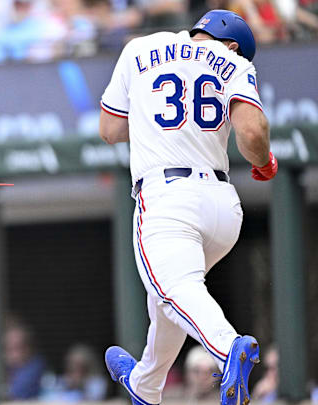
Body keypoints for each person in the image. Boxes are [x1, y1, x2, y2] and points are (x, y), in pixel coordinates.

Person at [99, 9, 277, 405]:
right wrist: (264, 162)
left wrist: (149, 120)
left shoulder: (140, 48)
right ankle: (145, 386)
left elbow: (110, 131)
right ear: (232, 45)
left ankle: (227, 346)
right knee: (168, 299)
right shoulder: (232, 62)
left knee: (173, 289)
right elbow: (252, 132)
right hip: (222, 205)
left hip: (168, 197)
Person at [3, 320, 45, 400]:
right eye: (8, 349)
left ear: (28, 348)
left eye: (16, 348)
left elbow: (13, 394)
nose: (11, 354)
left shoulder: (35, 366)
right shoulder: (5, 367)